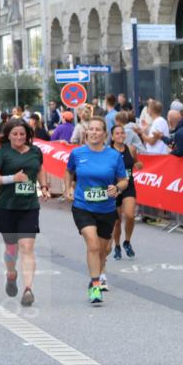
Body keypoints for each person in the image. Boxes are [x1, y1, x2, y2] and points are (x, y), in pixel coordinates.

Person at [64, 116, 128, 305]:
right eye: (90, 129)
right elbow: (69, 171)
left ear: (104, 134)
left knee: (103, 249)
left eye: (97, 130)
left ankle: (99, 271)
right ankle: (95, 285)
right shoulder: (77, 153)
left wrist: (117, 188)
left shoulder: (114, 156)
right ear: (87, 132)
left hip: (107, 208)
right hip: (83, 206)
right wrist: (68, 188)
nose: (93, 132)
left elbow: (123, 179)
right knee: (92, 245)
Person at [0, 118, 50, 306]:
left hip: (29, 206)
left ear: (28, 135)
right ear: (8, 135)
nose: (19, 137)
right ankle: (11, 274)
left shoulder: (35, 151)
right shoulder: (2, 153)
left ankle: (28, 289)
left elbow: (39, 169)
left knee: (27, 247)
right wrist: (13, 178)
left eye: (22, 134)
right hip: (7, 207)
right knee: (11, 249)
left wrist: (44, 186)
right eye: (15, 134)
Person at [109, 123, 140, 260]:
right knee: (116, 221)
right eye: (117, 133)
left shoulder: (131, 149)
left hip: (128, 187)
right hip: (113, 188)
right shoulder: (108, 151)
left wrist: (138, 165)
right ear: (112, 136)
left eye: (122, 133)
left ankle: (127, 241)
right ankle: (117, 246)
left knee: (130, 215)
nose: (120, 135)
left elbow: (136, 163)